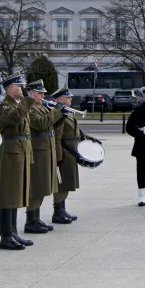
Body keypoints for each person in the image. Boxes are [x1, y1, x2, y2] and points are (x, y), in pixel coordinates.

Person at [0, 72, 33, 250]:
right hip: (11, 153)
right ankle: (6, 235)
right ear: (9, 89)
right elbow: (15, 118)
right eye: (19, 86)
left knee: (16, 193)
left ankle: (13, 232)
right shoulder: (4, 107)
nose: (22, 89)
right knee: (7, 194)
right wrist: (26, 102)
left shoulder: (17, 105)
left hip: (21, 151)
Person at [24, 80, 57, 234]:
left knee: (43, 186)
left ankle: (36, 218)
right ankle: (30, 220)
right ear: (31, 94)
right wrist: (56, 113)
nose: (43, 96)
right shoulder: (30, 108)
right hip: (38, 151)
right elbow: (40, 124)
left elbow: (51, 126)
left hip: (46, 150)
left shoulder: (42, 107)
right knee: (36, 186)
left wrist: (60, 115)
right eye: (40, 93)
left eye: (43, 93)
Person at [51, 87, 83, 221]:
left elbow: (75, 132)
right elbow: (57, 136)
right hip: (65, 151)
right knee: (62, 183)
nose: (70, 99)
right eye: (67, 97)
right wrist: (59, 155)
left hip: (71, 151)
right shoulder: (59, 114)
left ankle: (62, 210)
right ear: (59, 99)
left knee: (68, 182)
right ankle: (58, 212)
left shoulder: (68, 113)